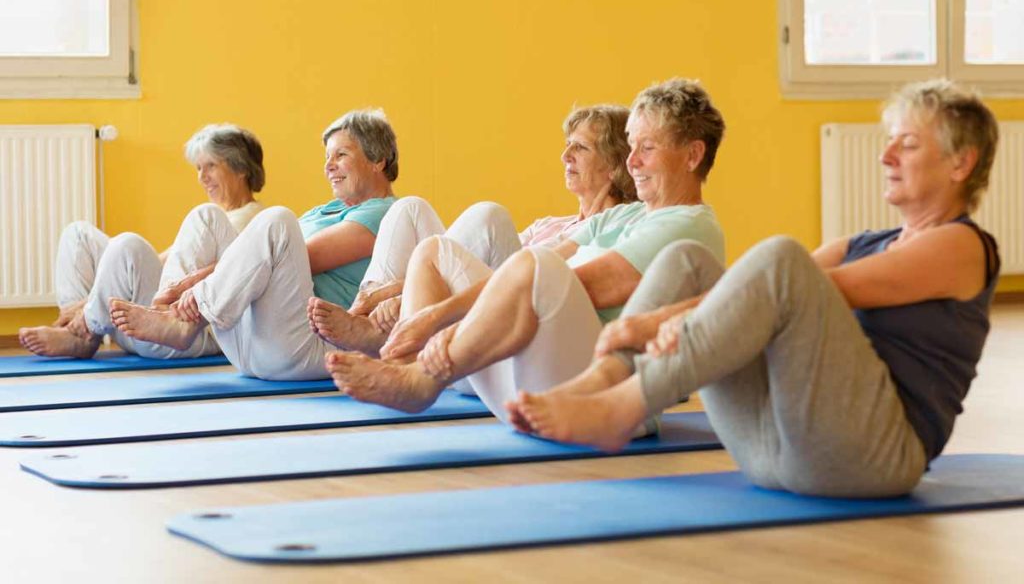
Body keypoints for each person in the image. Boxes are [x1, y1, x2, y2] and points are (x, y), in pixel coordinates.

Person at [513, 79, 1000, 499]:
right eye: (889, 140)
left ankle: (623, 407)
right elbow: (754, 287)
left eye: (907, 145)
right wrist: (669, 316)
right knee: (689, 262)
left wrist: (662, 319)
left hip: (869, 459)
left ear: (960, 163)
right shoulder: (864, 242)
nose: (885, 155)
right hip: (774, 448)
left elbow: (822, 286)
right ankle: (601, 385)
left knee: (782, 258)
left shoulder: (961, 246)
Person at [326, 78, 727, 420]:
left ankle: (422, 379)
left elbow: (582, 286)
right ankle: (404, 365)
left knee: (537, 265)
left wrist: (440, 320)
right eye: (631, 146)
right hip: (528, 361)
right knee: (436, 251)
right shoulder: (620, 219)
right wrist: (432, 317)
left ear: (692, 155)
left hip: (585, 386)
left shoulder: (687, 226)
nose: (633, 162)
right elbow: (528, 275)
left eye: (648, 149)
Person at [307, 104, 637, 355]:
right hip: (478, 318)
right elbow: (477, 261)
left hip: (526, 327)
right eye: (567, 145)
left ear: (612, 163)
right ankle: (382, 324)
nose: (565, 155)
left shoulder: (620, 225)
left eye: (580, 147)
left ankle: (380, 329)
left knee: (488, 216)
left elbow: (526, 278)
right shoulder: (550, 225)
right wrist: (395, 293)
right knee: (412, 210)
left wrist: (396, 294)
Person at [109, 109, 399, 380]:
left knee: (277, 218)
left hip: (306, 344)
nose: (329, 166)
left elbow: (304, 258)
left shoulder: (385, 213)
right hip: (255, 341)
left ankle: (184, 321)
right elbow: (257, 259)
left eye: (341, 154)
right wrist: (185, 288)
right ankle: (169, 314)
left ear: (378, 160)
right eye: (327, 157)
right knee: (207, 216)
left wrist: (193, 285)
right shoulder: (322, 211)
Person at [18, 123, 266, 359]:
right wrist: (86, 303)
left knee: (127, 245)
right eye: (198, 168)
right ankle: (77, 331)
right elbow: (161, 263)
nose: (202, 177)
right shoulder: (214, 217)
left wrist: (88, 305)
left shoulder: (250, 218)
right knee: (79, 234)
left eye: (210, 166)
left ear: (240, 168)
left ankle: (83, 330)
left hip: (186, 333)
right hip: (142, 324)